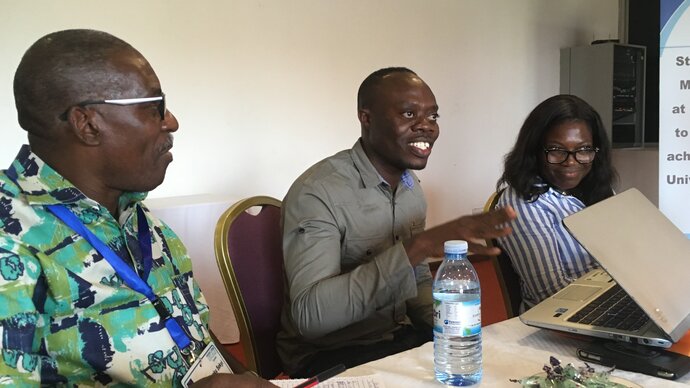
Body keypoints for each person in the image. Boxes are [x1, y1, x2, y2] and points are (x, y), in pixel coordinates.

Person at [0, 29, 274, 387]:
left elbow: (193, 337)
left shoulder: (134, 215)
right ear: (88, 124)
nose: (171, 122)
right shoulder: (12, 240)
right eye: (154, 107)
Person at [277, 67, 516, 377]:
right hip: (331, 354)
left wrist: (451, 330)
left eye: (433, 117)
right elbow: (311, 318)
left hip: (394, 338)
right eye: (408, 114)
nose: (426, 127)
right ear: (366, 118)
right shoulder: (318, 192)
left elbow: (415, 282)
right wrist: (420, 246)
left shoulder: (410, 188)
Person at [495, 94, 618, 312]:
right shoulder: (523, 204)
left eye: (583, 150)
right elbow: (552, 296)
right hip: (562, 323)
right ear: (534, 150)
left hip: (614, 308)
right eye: (557, 151)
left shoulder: (598, 189)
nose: (571, 162)